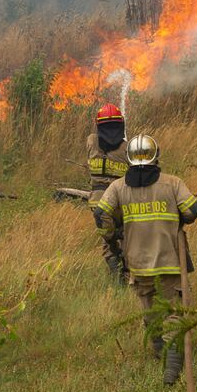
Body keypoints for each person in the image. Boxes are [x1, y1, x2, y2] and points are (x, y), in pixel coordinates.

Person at [94, 134, 197, 386]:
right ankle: (172, 369)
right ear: (157, 155)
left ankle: (159, 354)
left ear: (129, 160)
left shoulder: (118, 187)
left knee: (150, 312)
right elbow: (192, 210)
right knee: (174, 312)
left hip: (137, 264)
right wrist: (178, 218)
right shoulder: (172, 183)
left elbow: (100, 214)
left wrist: (111, 237)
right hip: (170, 261)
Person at [87, 104, 130, 284]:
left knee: (108, 240)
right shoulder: (126, 148)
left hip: (97, 203)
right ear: (121, 124)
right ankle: (128, 274)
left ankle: (116, 275)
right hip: (120, 202)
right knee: (127, 235)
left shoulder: (91, 141)